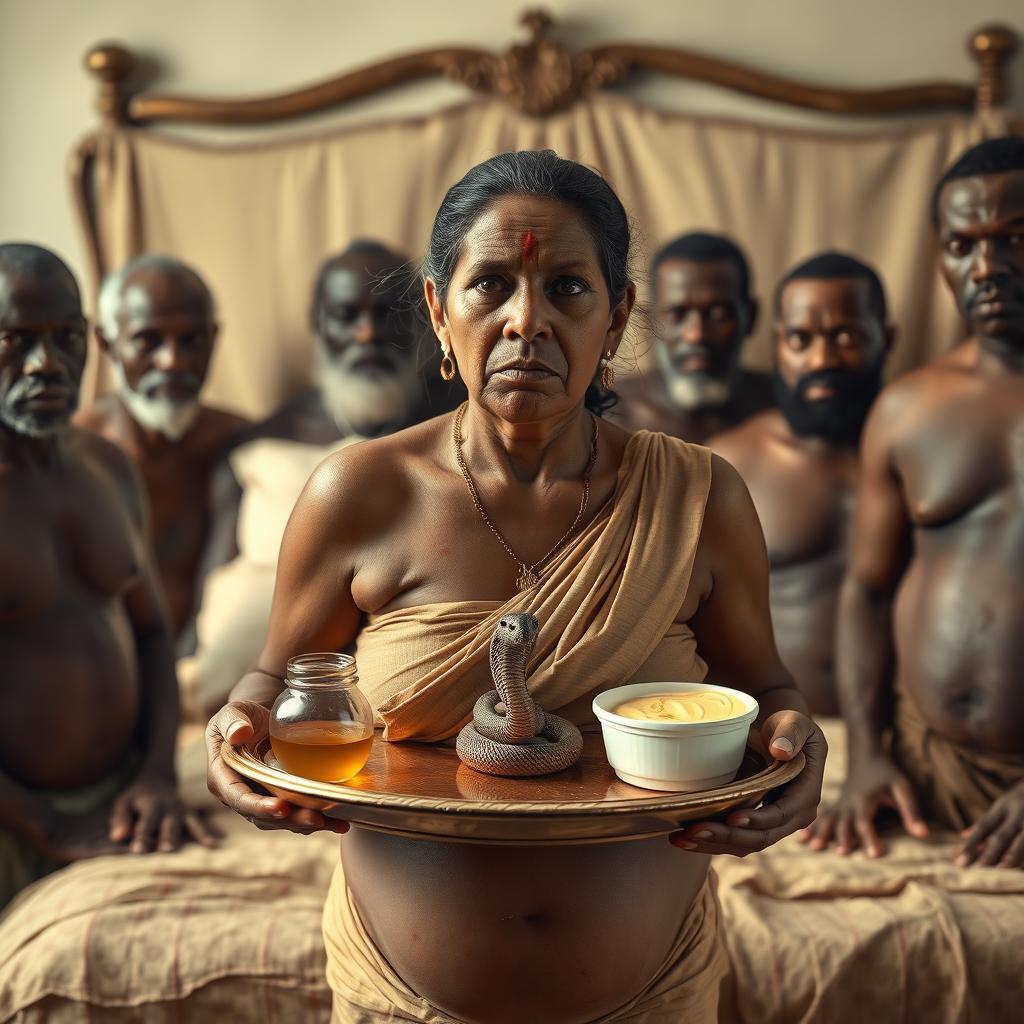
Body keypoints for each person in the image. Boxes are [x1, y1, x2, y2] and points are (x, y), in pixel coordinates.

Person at [205, 151, 825, 1023]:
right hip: (399, 998)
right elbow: (269, 686)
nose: (524, 321)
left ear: (617, 318)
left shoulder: (698, 497)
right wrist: (233, 733)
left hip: (658, 994)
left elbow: (768, 694)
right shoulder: (358, 494)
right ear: (436, 308)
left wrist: (804, 750)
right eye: (490, 284)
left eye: (568, 289)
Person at [801, 136, 1024, 868]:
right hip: (922, 768)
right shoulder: (907, 410)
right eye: (962, 244)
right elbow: (865, 592)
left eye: (1013, 238)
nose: (985, 269)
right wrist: (865, 753)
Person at [0, 244, 214, 908]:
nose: (46, 364)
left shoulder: (105, 465)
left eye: (65, 337)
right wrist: (47, 826)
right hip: (16, 820)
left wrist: (155, 777)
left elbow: (150, 634)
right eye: (15, 341)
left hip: (129, 793)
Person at [201, 240, 464, 573]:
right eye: (347, 316)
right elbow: (211, 589)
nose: (367, 334)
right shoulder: (266, 441)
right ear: (318, 322)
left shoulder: (467, 416)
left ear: (422, 318)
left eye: (387, 315)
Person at [711, 252, 894, 715]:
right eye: (800, 338)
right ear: (777, 345)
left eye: (846, 336)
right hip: (772, 738)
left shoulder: (925, 450)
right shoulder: (729, 463)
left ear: (886, 339)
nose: (822, 359)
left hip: (910, 740)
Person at [75, 255, 248, 650]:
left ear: (214, 338)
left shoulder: (242, 445)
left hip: (211, 683)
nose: (172, 361)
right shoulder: (75, 454)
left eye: (191, 340)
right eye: (148, 340)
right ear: (107, 343)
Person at [611, 232, 773, 443]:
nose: (696, 335)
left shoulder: (781, 408)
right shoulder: (608, 415)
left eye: (719, 315)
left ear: (750, 318)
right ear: (650, 319)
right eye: (677, 314)